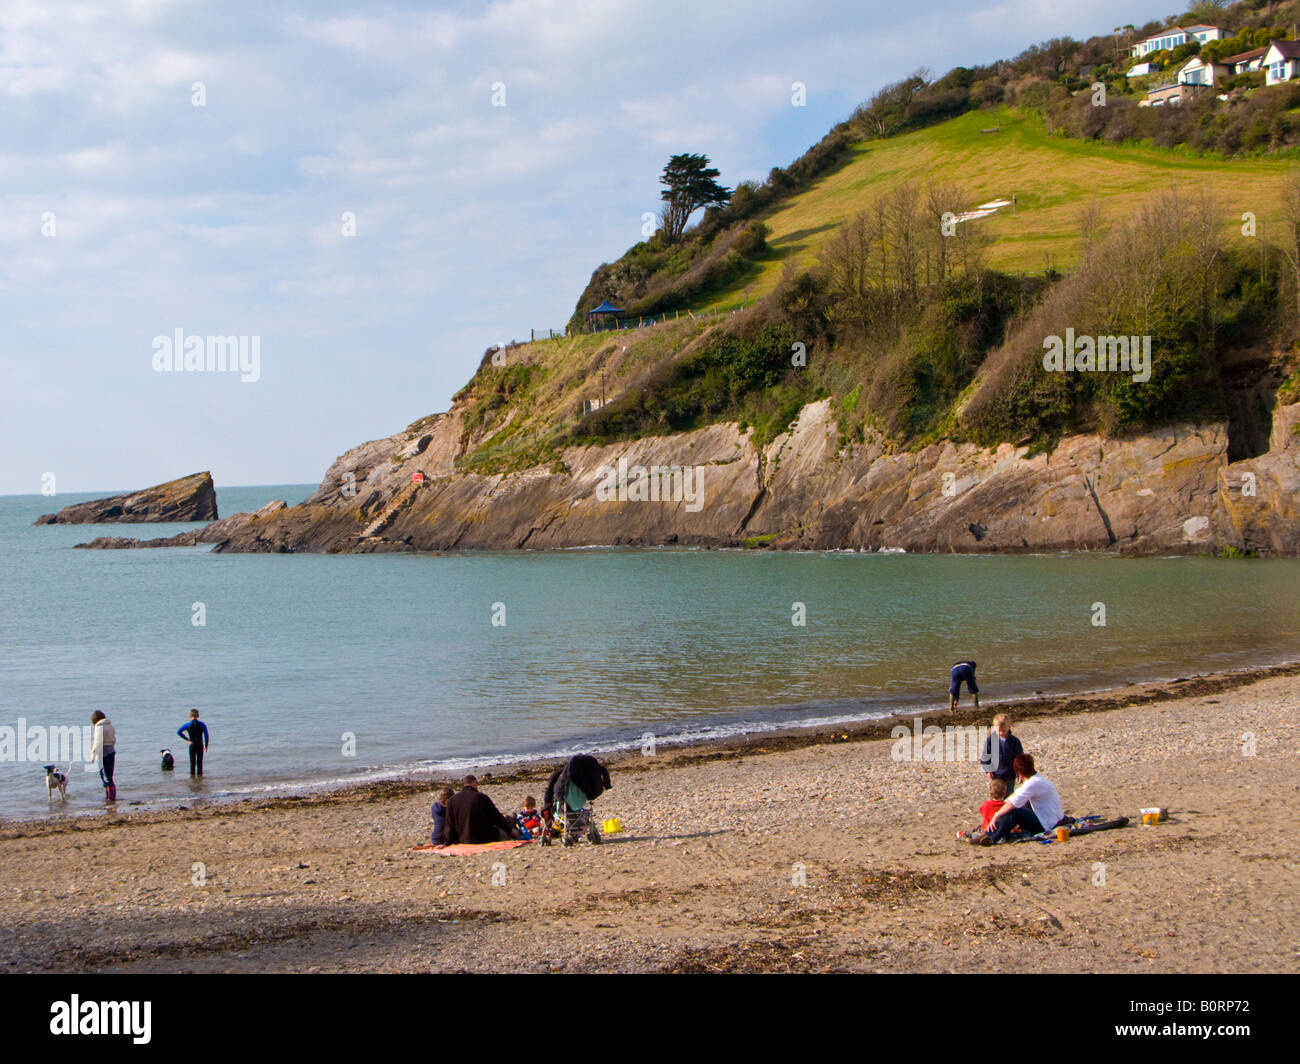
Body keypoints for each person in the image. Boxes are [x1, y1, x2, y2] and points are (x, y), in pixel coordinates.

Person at [973, 753, 1068, 845]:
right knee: (1018, 807)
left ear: (1020, 772)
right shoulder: (1037, 779)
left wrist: (996, 815)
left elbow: (1012, 803)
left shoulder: (1032, 784)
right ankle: (990, 832)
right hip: (1052, 818)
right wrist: (999, 805)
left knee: (1013, 813)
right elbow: (1015, 797)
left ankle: (990, 837)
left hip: (1046, 823)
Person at [444, 775, 518, 845]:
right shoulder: (482, 797)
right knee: (504, 834)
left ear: (464, 785)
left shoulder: (452, 801)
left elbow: (449, 825)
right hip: (484, 838)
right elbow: (497, 818)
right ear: (474, 784)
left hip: (463, 839)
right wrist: (510, 831)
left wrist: (448, 842)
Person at [979, 713, 1022, 795]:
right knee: (996, 795)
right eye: (999, 731)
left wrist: (1020, 773)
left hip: (1010, 774)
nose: (1001, 733)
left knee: (1009, 796)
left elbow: (1019, 758)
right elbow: (985, 756)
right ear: (994, 728)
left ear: (1008, 728)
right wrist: (987, 770)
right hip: (996, 774)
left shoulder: (1014, 741)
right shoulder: (991, 740)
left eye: (1004, 731)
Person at [89, 711, 116, 801]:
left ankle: (109, 796)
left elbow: (98, 742)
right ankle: (112, 796)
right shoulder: (110, 725)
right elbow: (114, 739)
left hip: (102, 751)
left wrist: (93, 755)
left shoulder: (98, 727)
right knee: (110, 775)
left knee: (104, 776)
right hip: (111, 750)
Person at [177, 708, 210, 777]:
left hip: (192, 744)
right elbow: (206, 735)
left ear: (190, 716)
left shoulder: (187, 724)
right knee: (199, 763)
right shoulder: (202, 724)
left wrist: (187, 739)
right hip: (200, 745)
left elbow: (179, 732)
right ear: (198, 715)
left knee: (192, 763)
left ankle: (193, 781)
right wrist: (206, 745)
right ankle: (200, 780)